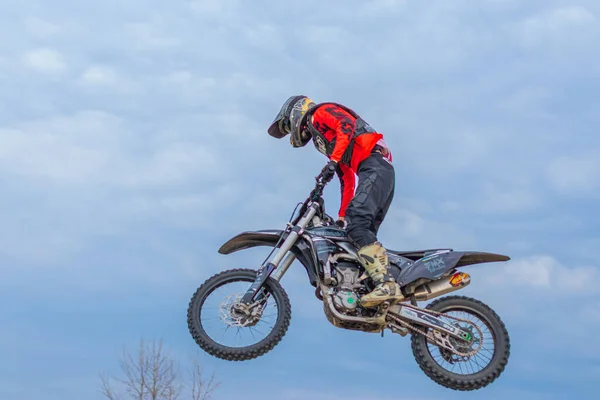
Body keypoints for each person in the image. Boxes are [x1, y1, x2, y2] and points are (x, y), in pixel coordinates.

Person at [267, 95, 402, 308]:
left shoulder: (320, 113)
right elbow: (347, 179)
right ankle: (378, 289)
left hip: (375, 166)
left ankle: (386, 284)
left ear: (295, 112)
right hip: (376, 171)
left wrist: (333, 160)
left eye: (286, 126)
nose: (290, 132)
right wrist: (341, 217)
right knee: (358, 233)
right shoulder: (327, 141)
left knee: (357, 222)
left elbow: (346, 126)